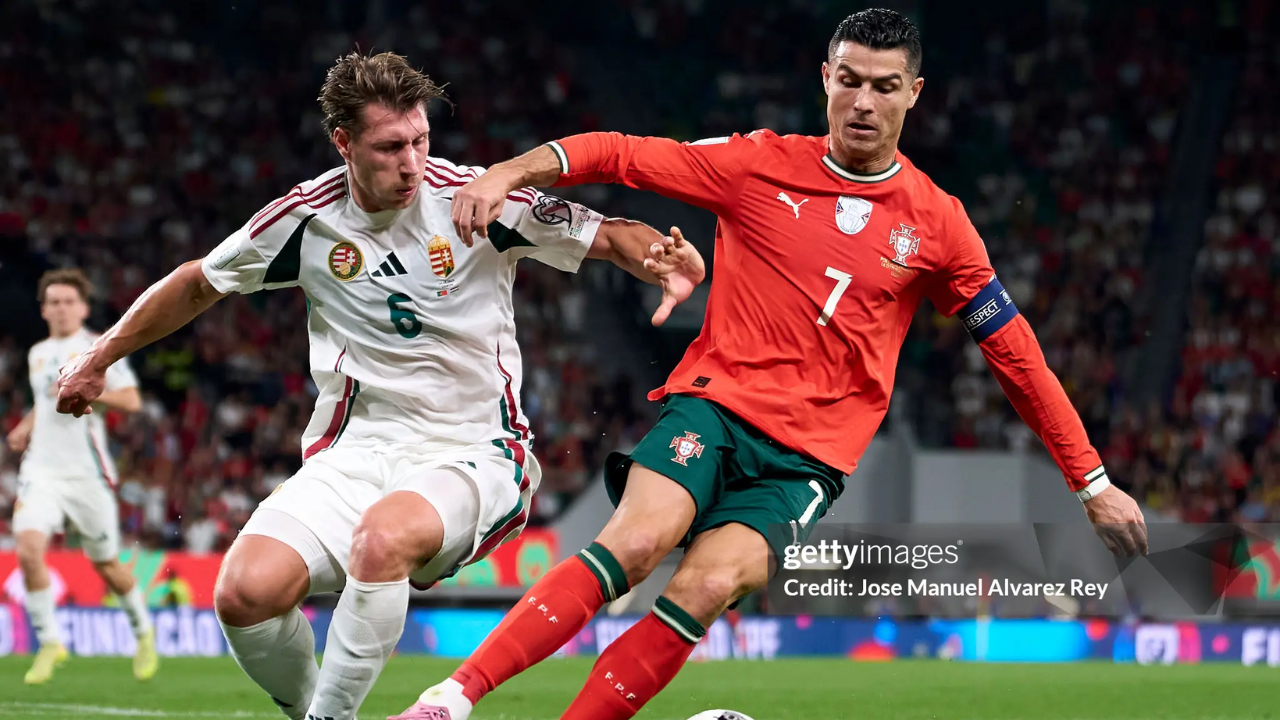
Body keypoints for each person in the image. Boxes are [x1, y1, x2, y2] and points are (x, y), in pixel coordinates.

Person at [395, 9, 1148, 720]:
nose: (862, 101)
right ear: (825, 76)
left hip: (810, 459)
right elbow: (621, 154)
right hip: (716, 407)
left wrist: (1092, 482)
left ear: (914, 95)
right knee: (635, 542)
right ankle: (451, 698)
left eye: (884, 87)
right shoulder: (756, 165)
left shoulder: (940, 224)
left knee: (712, 583)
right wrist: (508, 173)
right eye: (849, 79)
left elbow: (1015, 354)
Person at [55, 51, 704, 720]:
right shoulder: (306, 221)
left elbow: (607, 235)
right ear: (344, 143)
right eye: (391, 146)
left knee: (383, 539)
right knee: (244, 593)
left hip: (476, 450)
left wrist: (658, 258)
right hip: (354, 453)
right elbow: (199, 282)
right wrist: (100, 356)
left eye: (421, 140)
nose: (412, 162)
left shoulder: (472, 197)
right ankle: (316, 710)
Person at [7, 268, 158, 685]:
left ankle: (144, 633)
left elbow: (131, 400)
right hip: (42, 470)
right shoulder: (37, 352)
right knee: (28, 546)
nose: (61, 308)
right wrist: (27, 423)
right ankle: (50, 642)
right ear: (43, 309)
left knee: (106, 564)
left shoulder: (98, 348)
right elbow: (46, 398)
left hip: (87, 475)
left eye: (68, 301)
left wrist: (90, 388)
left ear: (84, 307)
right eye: (53, 302)